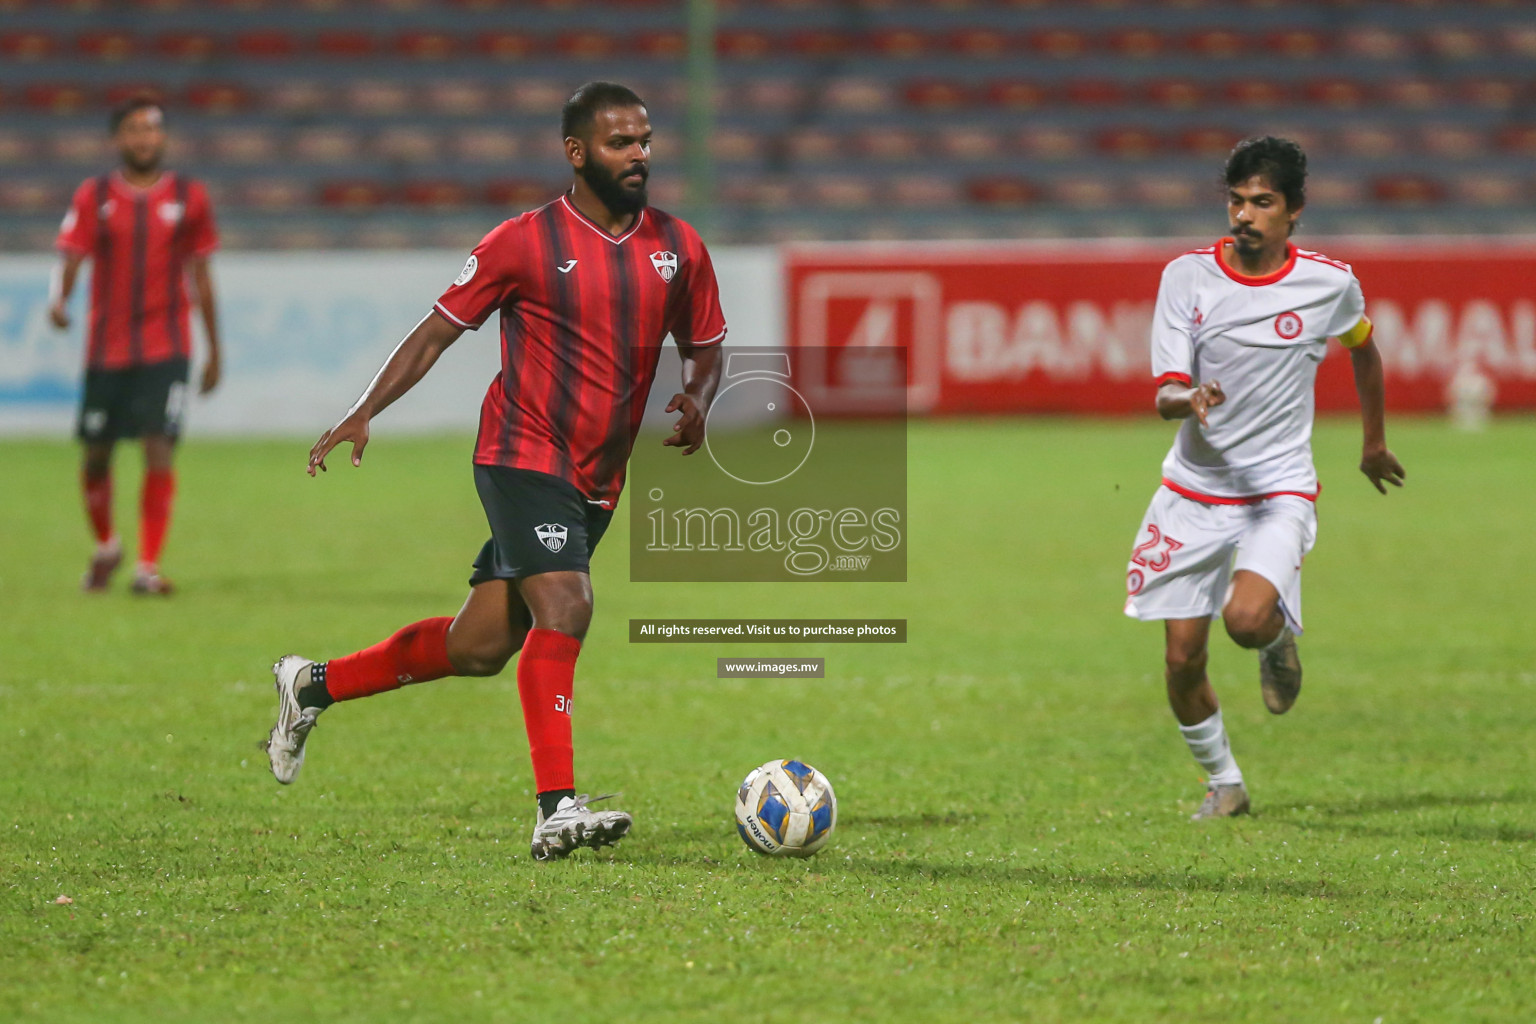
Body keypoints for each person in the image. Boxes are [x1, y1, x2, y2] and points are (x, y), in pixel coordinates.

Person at [263, 82, 726, 861]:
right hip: (520, 450)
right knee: (567, 604)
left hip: (597, 476)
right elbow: (435, 332)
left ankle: (311, 684)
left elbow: (707, 341)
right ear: (577, 153)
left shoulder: (677, 246)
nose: (639, 155)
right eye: (620, 143)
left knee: (479, 646)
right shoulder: (523, 240)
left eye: (645, 140)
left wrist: (699, 397)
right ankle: (557, 807)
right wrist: (364, 408)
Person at [1123, 136, 1405, 820]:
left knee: (1245, 621)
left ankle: (1275, 637)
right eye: (1236, 200)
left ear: (1295, 212)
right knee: (1182, 660)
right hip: (1190, 493)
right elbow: (1163, 389)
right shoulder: (1185, 278)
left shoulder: (1329, 284)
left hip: (1277, 492)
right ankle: (1225, 783)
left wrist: (1372, 443)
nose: (1244, 214)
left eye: (1262, 202)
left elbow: (1363, 350)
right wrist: (1185, 399)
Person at [50, 95, 221, 596]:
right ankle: (107, 545)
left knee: (158, 449)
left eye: (152, 129)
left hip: (167, 346)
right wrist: (60, 299)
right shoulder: (94, 194)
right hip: (108, 350)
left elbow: (203, 276)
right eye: (134, 130)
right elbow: (73, 252)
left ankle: (147, 566)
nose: (144, 138)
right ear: (118, 138)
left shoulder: (191, 196)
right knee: (97, 456)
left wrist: (215, 350)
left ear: (163, 137)